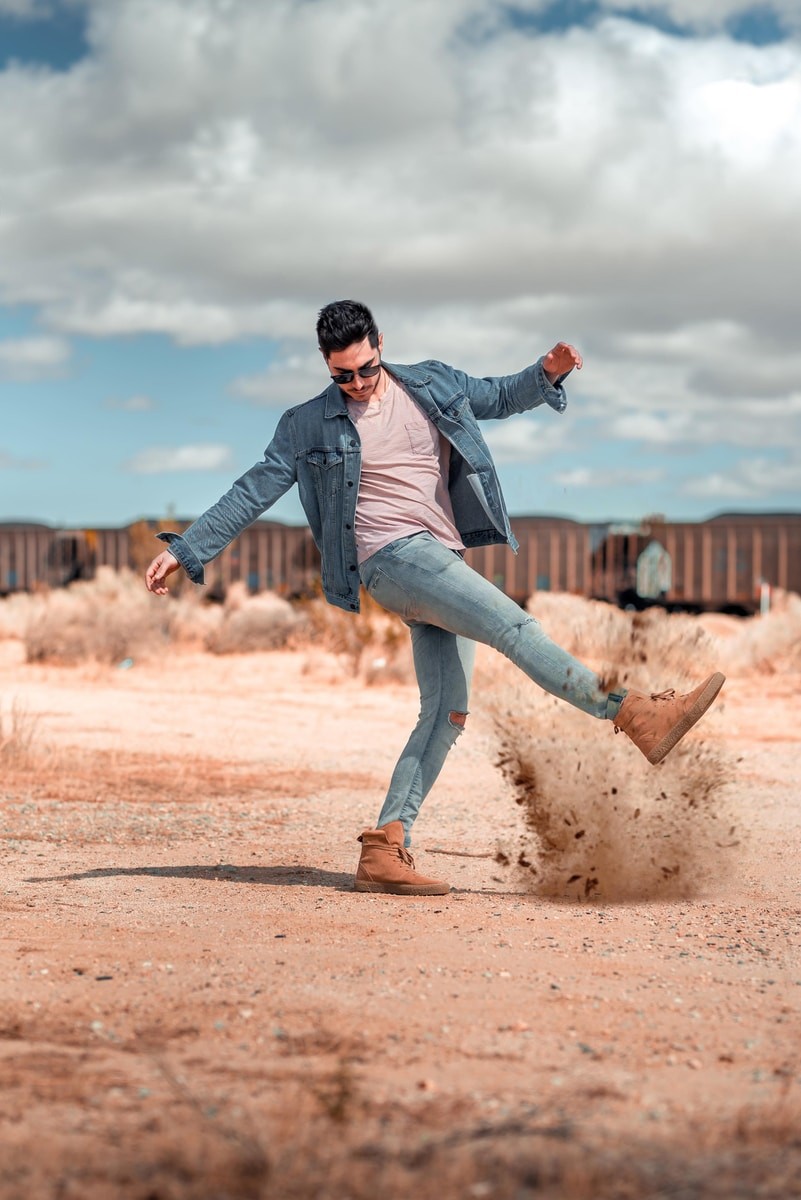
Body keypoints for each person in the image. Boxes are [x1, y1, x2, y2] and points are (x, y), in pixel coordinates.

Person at [145, 299, 725, 897]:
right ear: (326, 366)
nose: (358, 384)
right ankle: (635, 714)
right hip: (390, 559)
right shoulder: (307, 424)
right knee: (515, 628)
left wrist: (546, 372)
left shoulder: (430, 384)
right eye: (342, 375)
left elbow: (497, 396)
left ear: (380, 344)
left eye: (366, 368)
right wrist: (188, 549)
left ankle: (385, 846)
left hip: (439, 556)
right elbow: (252, 490)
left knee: (446, 711)